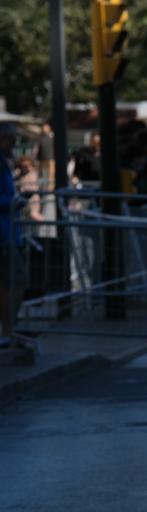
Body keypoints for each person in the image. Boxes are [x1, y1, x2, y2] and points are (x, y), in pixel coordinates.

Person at [0, 123, 25, 346]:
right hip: (4, 234)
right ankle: (6, 332)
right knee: (14, 283)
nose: (15, 144)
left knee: (12, 283)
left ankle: (7, 331)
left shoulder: (4, 165)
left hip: (9, 232)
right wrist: (13, 202)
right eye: (11, 139)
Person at [35, 122, 53, 190]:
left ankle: (50, 189)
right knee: (43, 175)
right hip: (42, 160)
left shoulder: (52, 136)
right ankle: (45, 189)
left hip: (51, 160)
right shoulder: (40, 138)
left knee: (50, 175)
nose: (44, 128)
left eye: (46, 127)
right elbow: (37, 149)